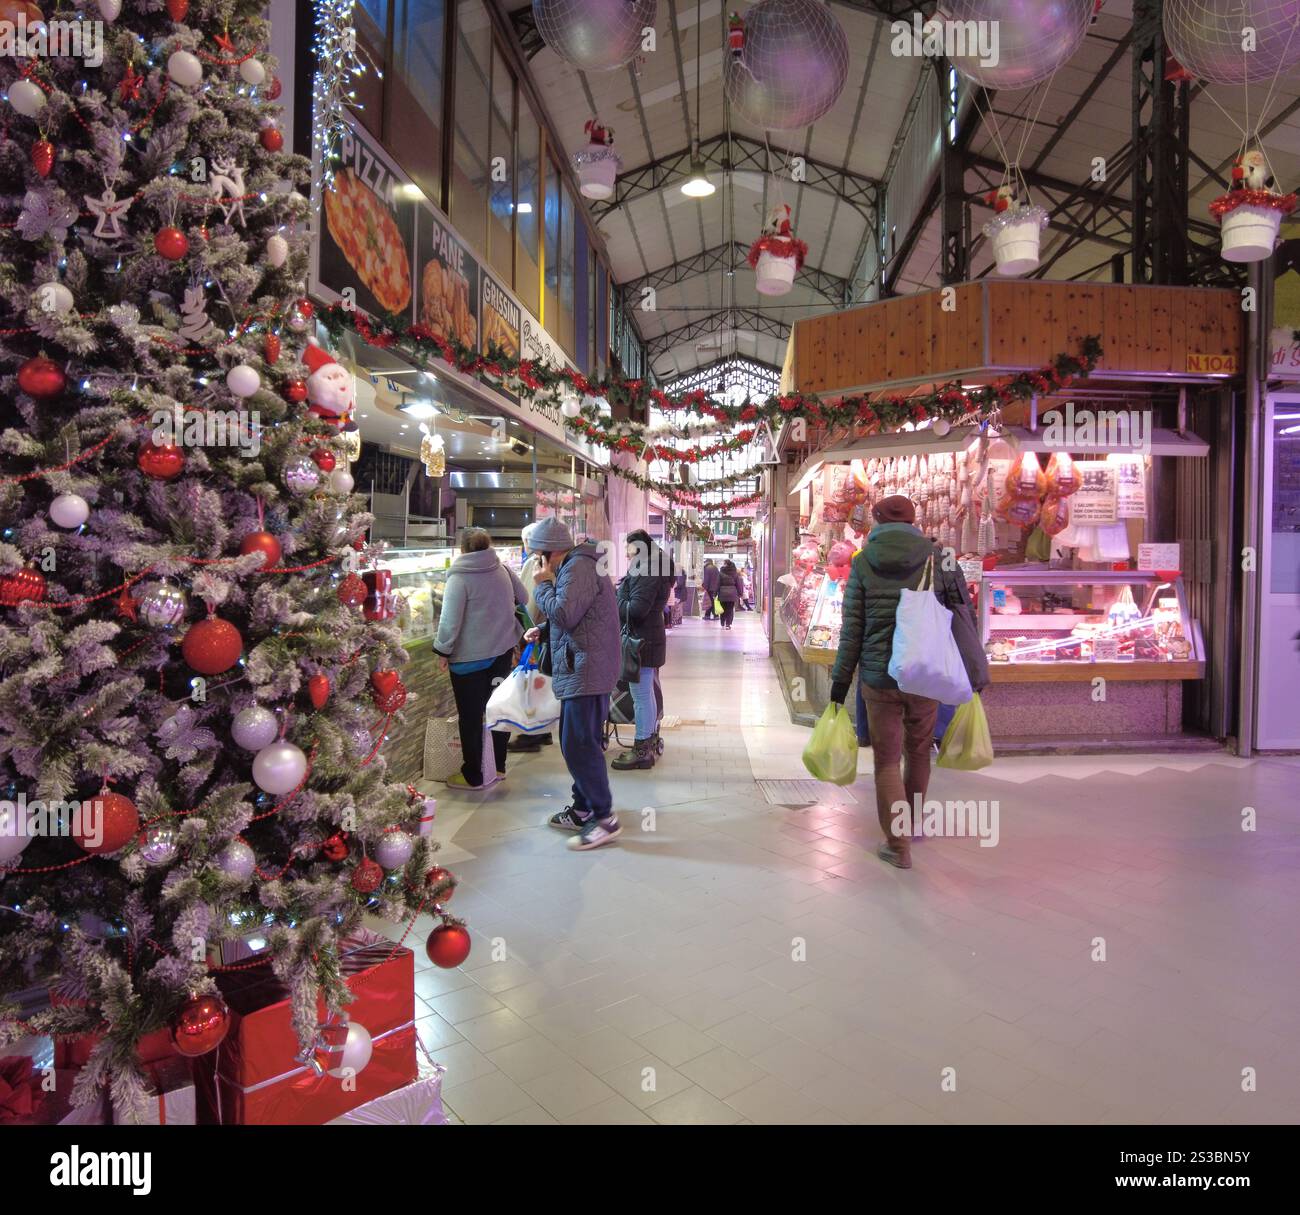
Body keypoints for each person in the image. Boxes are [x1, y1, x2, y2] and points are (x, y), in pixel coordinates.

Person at [829, 495, 989, 870]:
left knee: (885, 760)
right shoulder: (940, 556)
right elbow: (963, 611)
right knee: (918, 751)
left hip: (879, 673)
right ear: (914, 520)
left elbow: (852, 629)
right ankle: (912, 825)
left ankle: (897, 845)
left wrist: (839, 684)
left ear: (876, 520)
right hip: (925, 671)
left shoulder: (863, 560)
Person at [527, 517, 623, 851]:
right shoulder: (577, 565)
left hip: (588, 667)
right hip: (585, 663)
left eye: (537, 556)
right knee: (579, 741)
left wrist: (542, 584)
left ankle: (605, 818)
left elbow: (567, 614)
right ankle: (583, 809)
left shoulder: (578, 566)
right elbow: (579, 616)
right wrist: (541, 631)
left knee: (577, 744)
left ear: (549, 553)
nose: (536, 563)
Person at [433, 527, 529, 788]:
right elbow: (524, 597)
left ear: (463, 549)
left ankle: (473, 774)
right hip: (502, 651)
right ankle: (498, 766)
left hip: (468, 659)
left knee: (471, 716)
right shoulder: (504, 569)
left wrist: (442, 650)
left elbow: (450, 620)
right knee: (499, 709)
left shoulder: (459, 577)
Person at [612, 529, 674, 770]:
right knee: (644, 694)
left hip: (642, 640)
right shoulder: (651, 565)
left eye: (628, 548)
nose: (626, 554)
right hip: (648, 638)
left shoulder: (647, 569)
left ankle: (641, 749)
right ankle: (645, 743)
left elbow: (636, 609)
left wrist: (616, 595)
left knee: (640, 696)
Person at [507, 521, 554, 754]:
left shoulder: (535, 564)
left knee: (531, 682)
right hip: (542, 630)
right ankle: (541, 731)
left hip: (535, 631)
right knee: (539, 681)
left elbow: (530, 601)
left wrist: (529, 630)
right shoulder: (543, 562)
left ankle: (532, 734)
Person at [715, 559, 743, 630]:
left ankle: (722, 621)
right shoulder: (735, 573)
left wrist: (715, 593)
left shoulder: (720, 573)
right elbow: (738, 584)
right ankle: (728, 624)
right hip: (732, 593)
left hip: (722, 593)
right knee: (730, 609)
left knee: (723, 608)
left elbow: (717, 584)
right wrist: (740, 593)